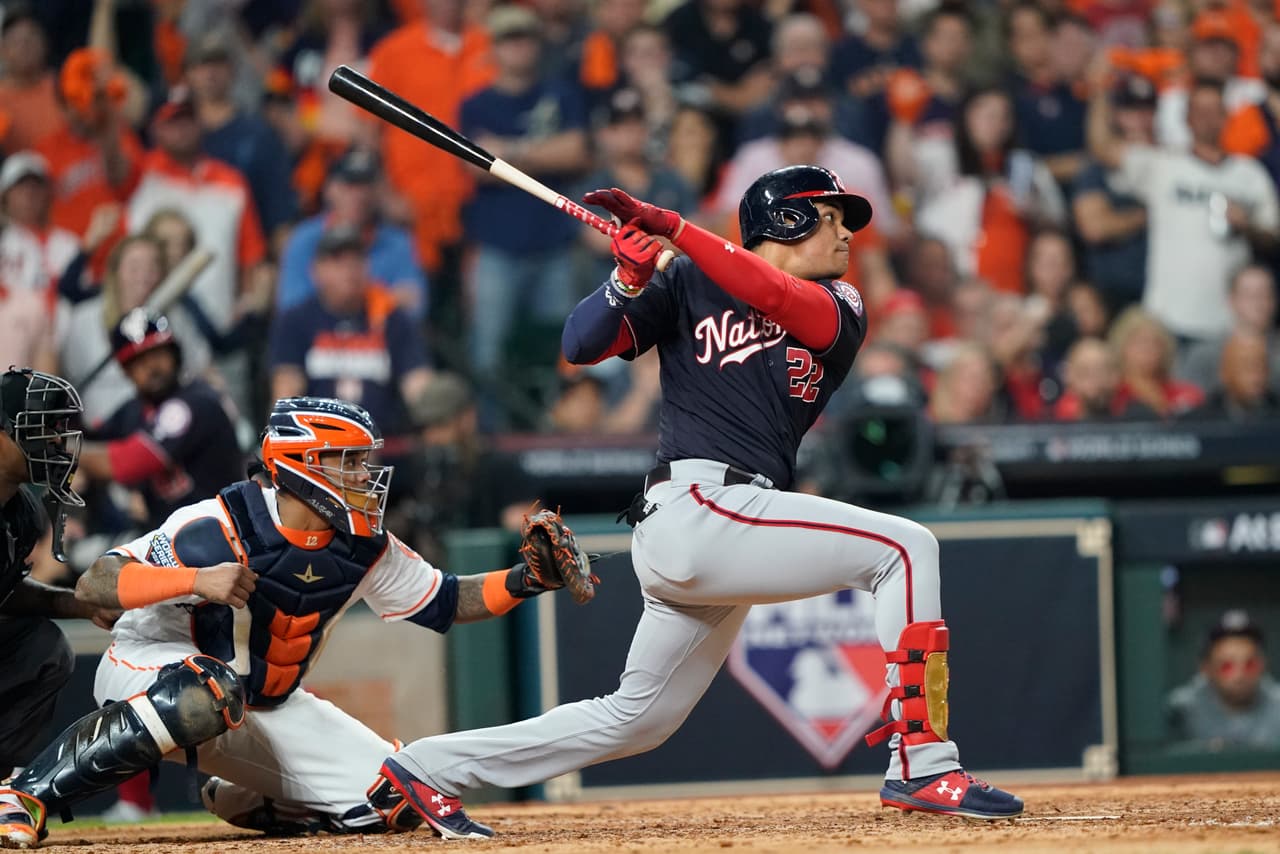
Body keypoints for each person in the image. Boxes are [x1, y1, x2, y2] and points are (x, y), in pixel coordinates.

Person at [378, 165, 1022, 840]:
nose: (845, 233)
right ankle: (923, 761)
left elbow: (769, 290)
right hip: (695, 505)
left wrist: (678, 229)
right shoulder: (686, 281)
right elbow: (580, 344)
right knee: (906, 547)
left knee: (639, 718)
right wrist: (626, 280)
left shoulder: (841, 302)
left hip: (727, 522)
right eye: (830, 217)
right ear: (787, 220)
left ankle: (426, 766)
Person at [0, 396, 589, 847]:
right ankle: (24, 795)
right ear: (305, 465)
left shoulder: (364, 544)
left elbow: (445, 599)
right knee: (207, 691)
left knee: (395, 799)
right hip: (149, 669)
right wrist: (195, 580)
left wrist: (527, 580)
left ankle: (245, 796)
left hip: (265, 702)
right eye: (351, 461)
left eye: (365, 460)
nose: (366, 474)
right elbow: (96, 582)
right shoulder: (219, 523)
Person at [1088, 63, 1280, 345]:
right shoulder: (1163, 165)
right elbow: (1103, 146)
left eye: (1214, 110)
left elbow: (1273, 235)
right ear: (1186, 117)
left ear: (1226, 116)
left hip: (1229, 323)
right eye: (1198, 110)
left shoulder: (1249, 174)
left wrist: (1247, 227)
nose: (1206, 118)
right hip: (1166, 321)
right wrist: (1099, 91)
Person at [0, 368, 118, 786]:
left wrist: (75, 604)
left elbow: (5, 594)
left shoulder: (21, 513)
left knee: (44, 650)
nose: (54, 442)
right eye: (40, 429)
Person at [75, 310, 244, 528]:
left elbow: (127, 462)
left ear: (174, 354)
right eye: (139, 361)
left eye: (157, 354)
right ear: (126, 371)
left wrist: (66, 450)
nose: (151, 367)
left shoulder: (194, 402)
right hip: (170, 537)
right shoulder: (133, 411)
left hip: (221, 531)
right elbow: (93, 438)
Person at [268, 225, 433, 445]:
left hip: (384, 447)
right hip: (318, 449)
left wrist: (439, 413)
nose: (349, 269)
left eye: (357, 260)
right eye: (338, 260)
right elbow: (287, 392)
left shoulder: (391, 318)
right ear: (316, 271)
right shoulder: (296, 320)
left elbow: (419, 388)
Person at [277, 149, 428, 319]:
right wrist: (379, 298)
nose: (359, 196)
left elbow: (414, 307)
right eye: (350, 185)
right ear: (329, 189)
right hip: (318, 341)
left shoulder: (397, 243)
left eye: (365, 186)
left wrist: (341, 292)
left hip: (378, 341)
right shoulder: (304, 239)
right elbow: (291, 309)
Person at [1167, 610, 1280, 751]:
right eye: (1227, 666)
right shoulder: (1181, 710)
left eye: (1250, 665)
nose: (1240, 675)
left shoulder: (1277, 705)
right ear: (1206, 669)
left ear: (1263, 665)